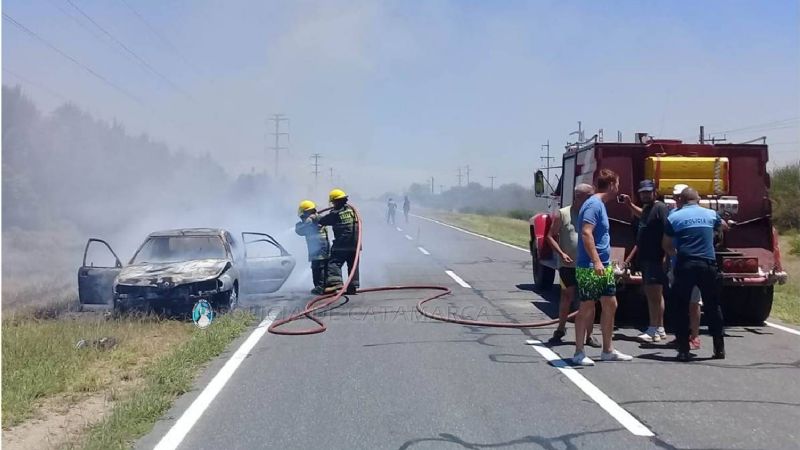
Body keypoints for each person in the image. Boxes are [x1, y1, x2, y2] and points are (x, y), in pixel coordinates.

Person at [572, 169, 634, 366]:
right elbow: (586, 233)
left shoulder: (601, 205)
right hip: (590, 266)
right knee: (587, 306)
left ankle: (608, 350)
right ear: (612, 185)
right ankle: (579, 352)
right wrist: (596, 261)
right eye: (618, 184)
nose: (619, 188)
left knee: (610, 303)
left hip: (603, 266)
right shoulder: (593, 205)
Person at [663, 187, 725, 362]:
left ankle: (683, 349)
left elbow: (666, 245)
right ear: (698, 200)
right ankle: (719, 348)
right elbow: (720, 233)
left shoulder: (674, 217)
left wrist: (676, 255)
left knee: (681, 307)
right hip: (708, 264)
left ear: (681, 200)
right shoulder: (711, 215)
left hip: (686, 264)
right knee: (713, 306)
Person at [545, 183, 599, 348]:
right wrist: (561, 253)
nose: (592, 200)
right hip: (567, 266)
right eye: (589, 196)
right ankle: (560, 329)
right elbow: (550, 236)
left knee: (589, 300)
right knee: (566, 297)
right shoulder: (563, 213)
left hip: (588, 265)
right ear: (578, 197)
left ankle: (590, 336)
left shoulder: (592, 213)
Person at [621, 180, 670, 343]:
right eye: (643, 192)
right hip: (647, 258)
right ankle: (660, 328)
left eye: (648, 192)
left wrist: (665, 255)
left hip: (655, 257)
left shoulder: (660, 208)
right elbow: (642, 214)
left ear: (655, 192)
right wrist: (629, 205)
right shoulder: (649, 209)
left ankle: (652, 329)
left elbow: (667, 230)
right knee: (655, 294)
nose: (645, 195)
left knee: (653, 295)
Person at [668, 184, 703, 350]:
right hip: (677, 264)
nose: (677, 199)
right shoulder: (673, 214)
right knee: (679, 303)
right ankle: (680, 336)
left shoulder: (699, 214)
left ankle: (694, 336)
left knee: (694, 302)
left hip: (692, 263)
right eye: (675, 196)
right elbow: (667, 239)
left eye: (679, 196)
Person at [320, 189, 360, 295]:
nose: (333, 205)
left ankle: (336, 283)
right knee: (353, 264)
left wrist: (315, 218)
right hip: (355, 244)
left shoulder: (336, 213)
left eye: (333, 202)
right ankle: (352, 286)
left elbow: (323, 220)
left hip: (342, 243)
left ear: (336, 201)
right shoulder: (352, 211)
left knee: (334, 262)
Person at [295, 200, 330, 295]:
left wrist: (312, 218)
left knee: (321, 266)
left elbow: (321, 219)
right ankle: (319, 286)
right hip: (314, 249)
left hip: (321, 247)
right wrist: (304, 223)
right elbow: (299, 231)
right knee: (315, 267)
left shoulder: (318, 218)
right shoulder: (306, 223)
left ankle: (321, 287)